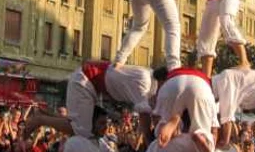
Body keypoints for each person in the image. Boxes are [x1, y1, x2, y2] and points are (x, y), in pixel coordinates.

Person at [26, 60, 157, 141]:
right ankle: (40, 120)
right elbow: (144, 117)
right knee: (82, 130)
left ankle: (44, 115)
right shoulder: (144, 80)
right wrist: (151, 143)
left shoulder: (151, 80)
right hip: (86, 80)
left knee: (77, 122)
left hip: (91, 81)